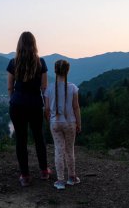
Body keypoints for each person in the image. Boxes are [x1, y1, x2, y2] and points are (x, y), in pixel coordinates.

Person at [7, 31, 51, 187]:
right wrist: (46, 107)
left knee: (21, 139)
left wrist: (13, 99)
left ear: (19, 44)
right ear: (34, 44)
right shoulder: (41, 63)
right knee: (39, 137)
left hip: (17, 105)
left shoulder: (13, 63)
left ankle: (25, 176)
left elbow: (10, 87)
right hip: (35, 105)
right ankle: (44, 171)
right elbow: (44, 87)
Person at [44, 59, 81, 190]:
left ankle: (60, 181)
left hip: (55, 123)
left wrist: (50, 120)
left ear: (55, 71)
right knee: (69, 150)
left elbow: (47, 109)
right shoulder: (73, 88)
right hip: (70, 123)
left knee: (58, 151)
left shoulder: (49, 89)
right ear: (68, 71)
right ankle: (72, 177)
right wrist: (79, 123)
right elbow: (76, 107)